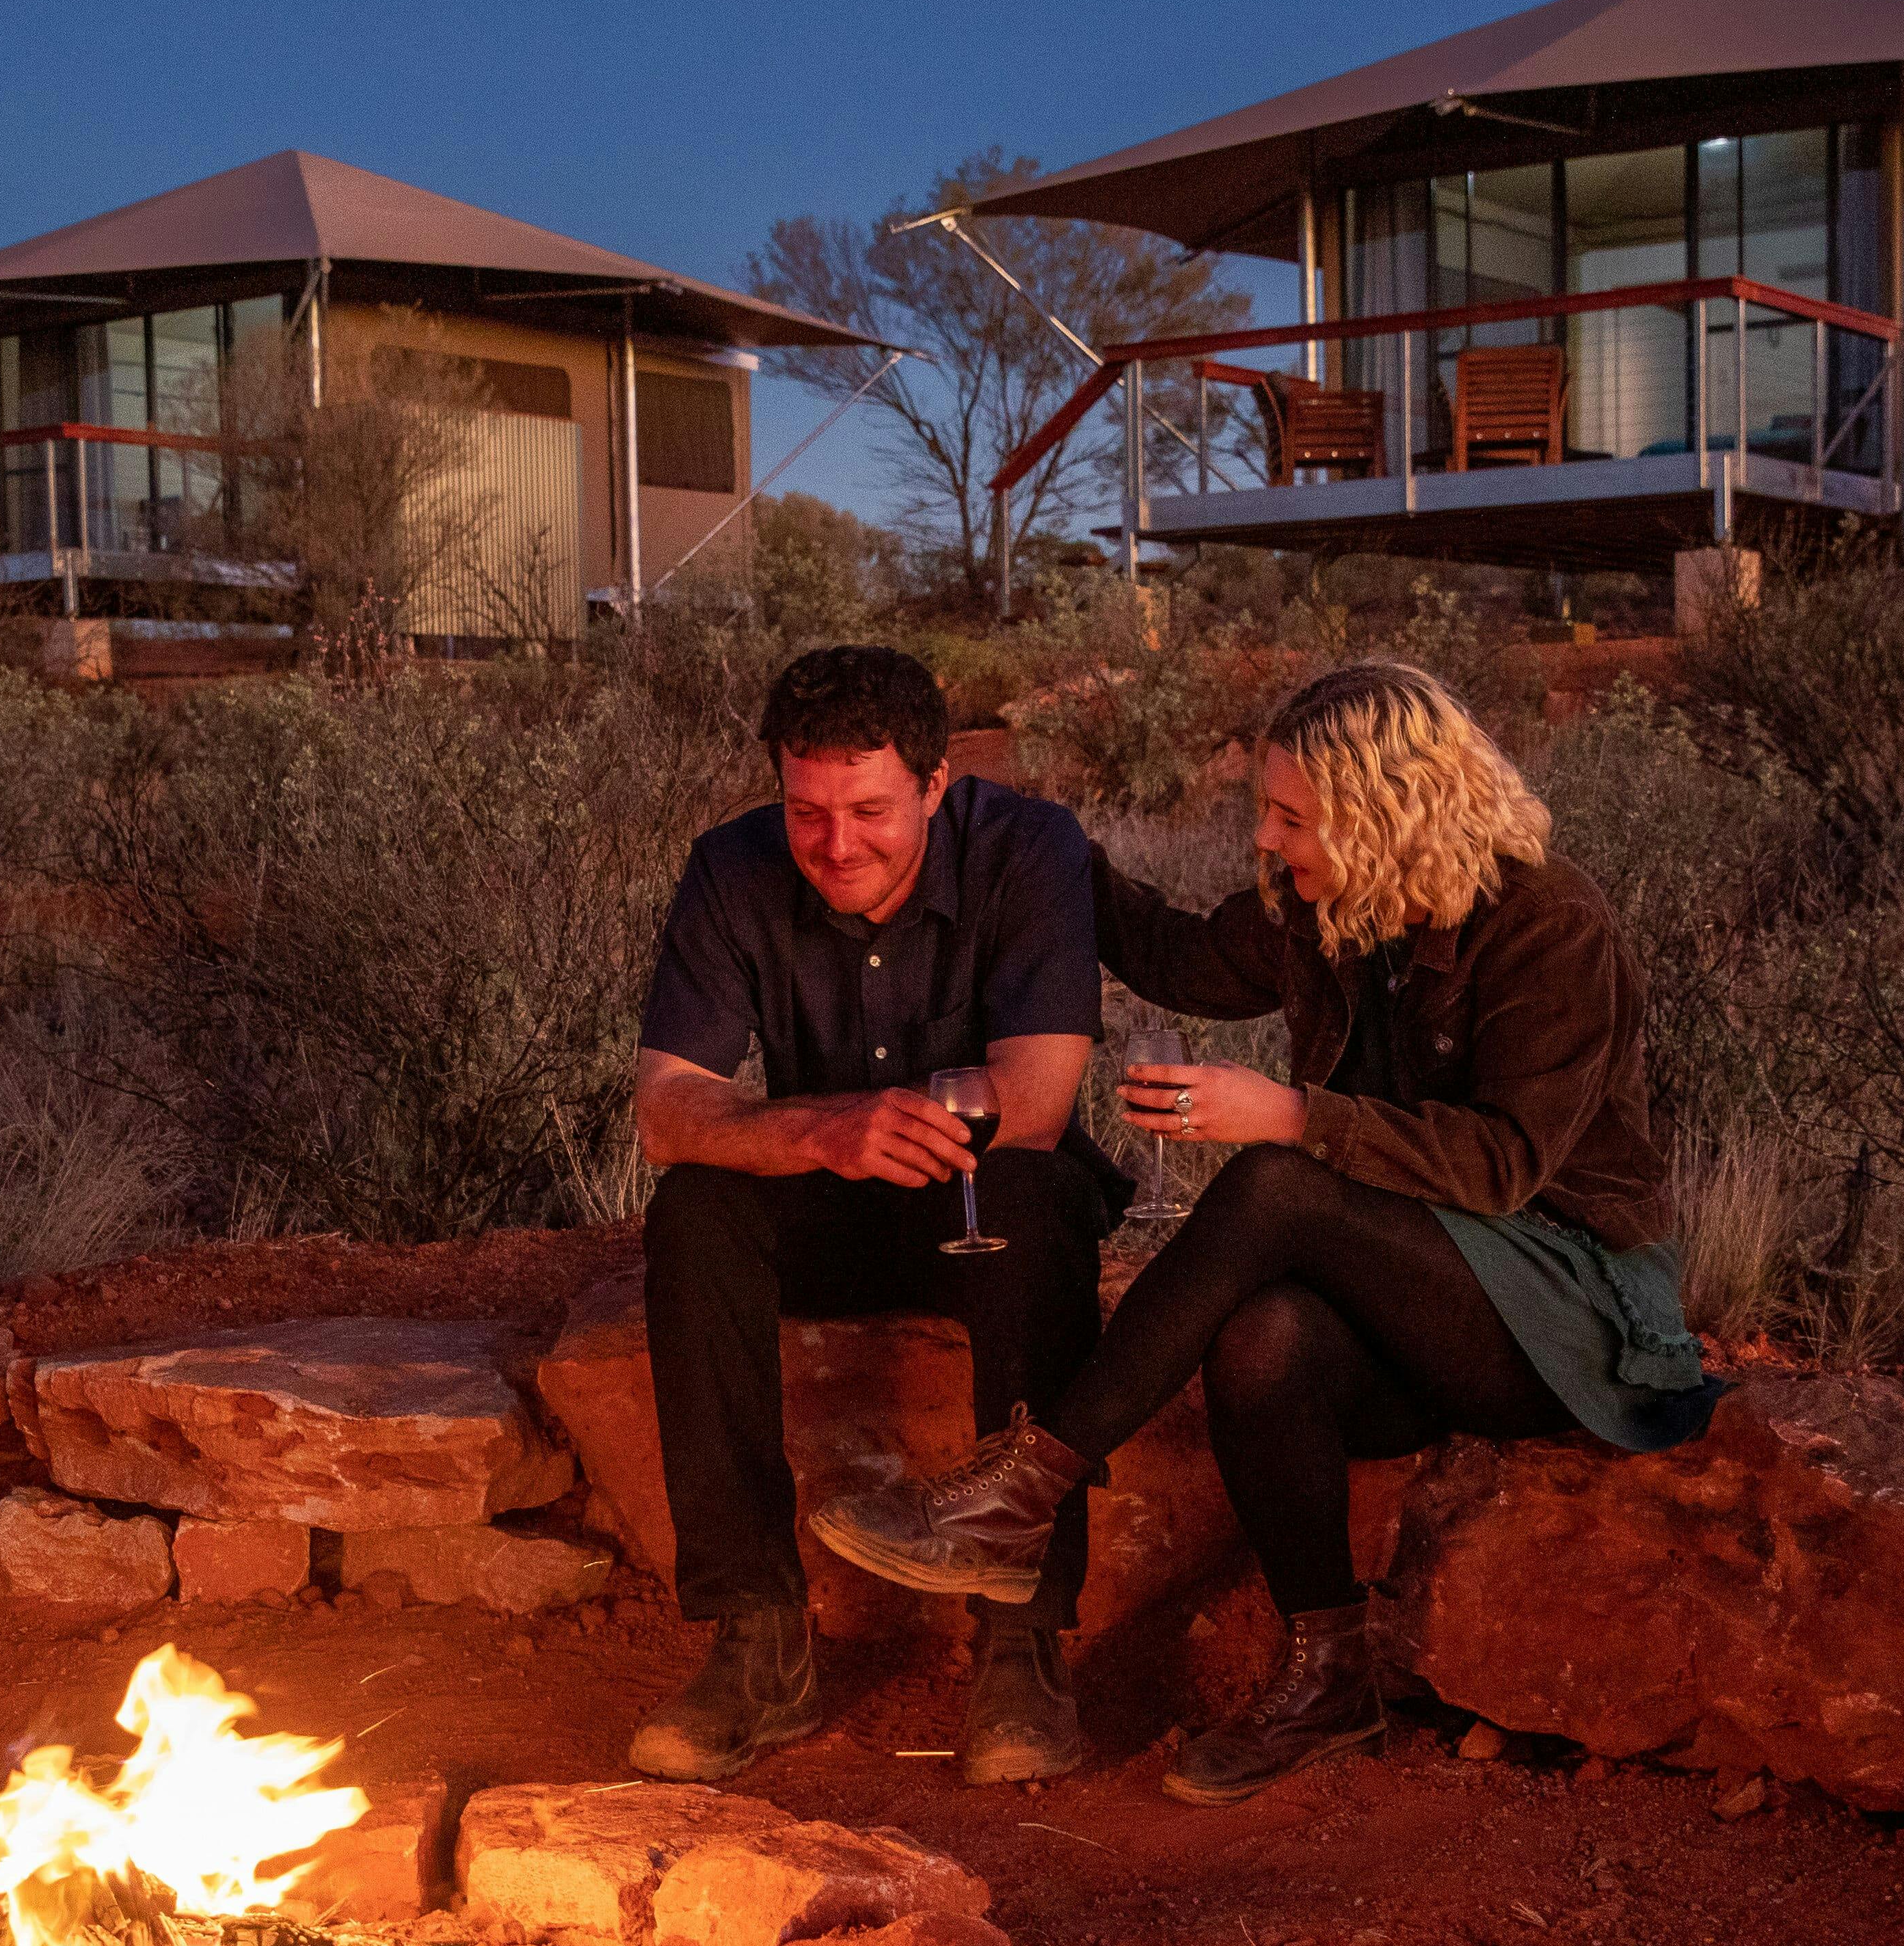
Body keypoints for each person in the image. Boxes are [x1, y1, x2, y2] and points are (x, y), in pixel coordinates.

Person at [809, 660, 1720, 1805]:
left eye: (1292, 816)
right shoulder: (1332, 909)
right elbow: (1182, 957)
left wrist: (1288, 1113)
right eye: (1267, 811)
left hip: (1570, 1318)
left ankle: (1020, 1493)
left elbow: (1503, 1165)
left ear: (1387, 809)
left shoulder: (1548, 922)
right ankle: (1330, 1675)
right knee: (1264, 1337)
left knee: (1275, 1181)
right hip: (1418, 1316)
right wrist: (1035, 839)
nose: (1265, 840)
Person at [624, 644, 1116, 1787]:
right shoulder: (729, 869)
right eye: (806, 812)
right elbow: (668, 1111)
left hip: (983, 1197)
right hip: (824, 1196)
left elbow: (1036, 1103)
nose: (837, 845)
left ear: (936, 784)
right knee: (694, 1213)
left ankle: (1021, 1641)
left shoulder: (1030, 848)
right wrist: (822, 1131)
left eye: (870, 810)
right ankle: (758, 1635)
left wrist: (906, 1126)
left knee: (1037, 1209)